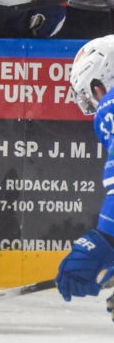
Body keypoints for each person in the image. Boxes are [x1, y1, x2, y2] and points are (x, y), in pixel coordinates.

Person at [56, 35, 114, 310]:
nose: (94, 107)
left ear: (98, 84)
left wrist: (105, 240)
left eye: (89, 98)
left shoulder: (110, 104)